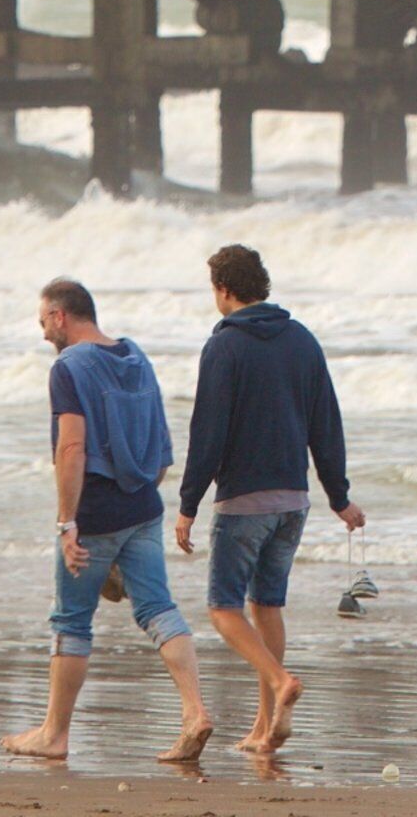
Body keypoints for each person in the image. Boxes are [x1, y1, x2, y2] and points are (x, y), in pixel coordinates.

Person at [0, 277, 213, 765]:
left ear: (60, 316)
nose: (43, 334)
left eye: (42, 322)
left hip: (94, 513)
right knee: (158, 608)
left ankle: (54, 734)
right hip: (143, 505)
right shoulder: (134, 355)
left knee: (71, 620)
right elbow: (161, 443)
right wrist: (143, 490)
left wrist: (66, 522)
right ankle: (194, 711)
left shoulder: (68, 367)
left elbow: (71, 448)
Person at [172, 243, 364, 754]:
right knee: (267, 605)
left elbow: (207, 432)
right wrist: (338, 496)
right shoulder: (302, 340)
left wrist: (189, 503)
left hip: (243, 502)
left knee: (223, 609)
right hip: (292, 501)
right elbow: (327, 422)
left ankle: (280, 683)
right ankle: (266, 727)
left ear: (224, 289)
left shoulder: (224, 347)